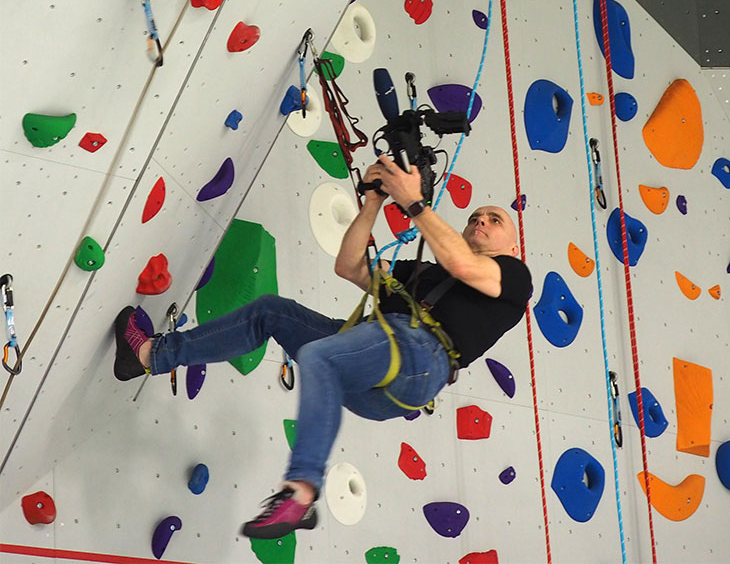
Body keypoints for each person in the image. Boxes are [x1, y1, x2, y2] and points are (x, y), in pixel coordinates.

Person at [112, 153, 532, 541]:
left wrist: (414, 203)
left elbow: (463, 264)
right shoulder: (424, 271)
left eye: (494, 219)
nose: (481, 220)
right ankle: (150, 355)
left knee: (319, 357)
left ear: (512, 247)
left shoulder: (514, 277)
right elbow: (348, 266)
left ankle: (300, 490)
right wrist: (371, 203)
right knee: (270, 313)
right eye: (475, 216)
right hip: (378, 367)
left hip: (421, 357)